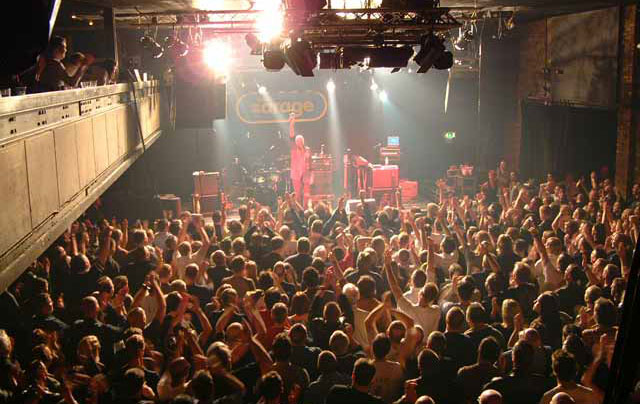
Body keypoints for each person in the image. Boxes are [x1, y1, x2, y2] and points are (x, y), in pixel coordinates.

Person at [288, 113, 311, 205]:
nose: (298, 142)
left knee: (306, 194)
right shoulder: (294, 149)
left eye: (300, 141)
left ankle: (305, 210)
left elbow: (310, 163)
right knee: (297, 194)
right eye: (297, 141)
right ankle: (298, 209)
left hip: (305, 174)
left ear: (303, 141)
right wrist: (292, 124)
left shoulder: (307, 150)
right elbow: (291, 136)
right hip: (296, 174)